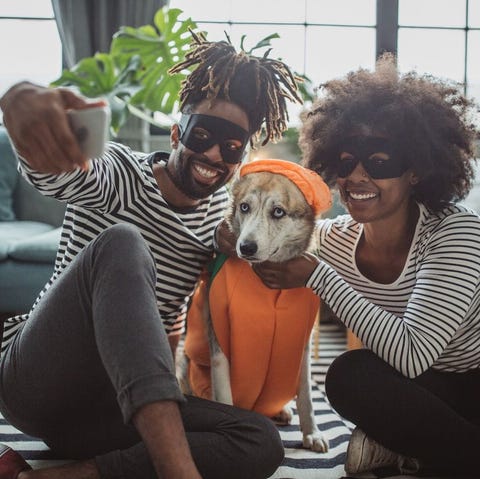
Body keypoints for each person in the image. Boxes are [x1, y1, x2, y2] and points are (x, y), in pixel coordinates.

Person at [0, 31, 302, 479]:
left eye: (231, 147)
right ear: (178, 133)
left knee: (258, 439)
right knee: (124, 240)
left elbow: (174, 320)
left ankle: (80, 473)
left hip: (114, 408)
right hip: (40, 379)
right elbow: (55, 175)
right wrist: (19, 102)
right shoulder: (120, 173)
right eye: (203, 135)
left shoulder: (221, 217)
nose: (214, 154)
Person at [239, 54, 480, 477]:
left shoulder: (456, 234)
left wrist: (317, 276)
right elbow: (271, 240)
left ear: (416, 172)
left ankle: (434, 453)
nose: (358, 177)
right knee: (349, 374)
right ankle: (431, 450)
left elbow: (411, 353)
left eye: (380, 161)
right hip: (432, 389)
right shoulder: (336, 238)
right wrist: (230, 230)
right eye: (347, 162)